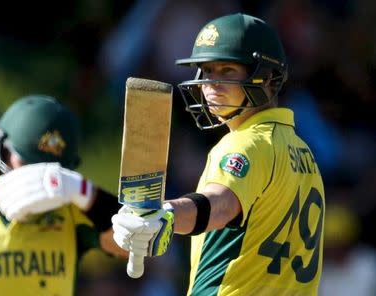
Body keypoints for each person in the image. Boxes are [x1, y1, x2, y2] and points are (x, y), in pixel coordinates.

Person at [111, 13, 326, 295]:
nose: (211, 84)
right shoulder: (303, 152)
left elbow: (220, 204)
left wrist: (167, 215)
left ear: (268, 77)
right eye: (207, 71)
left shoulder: (245, 144)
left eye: (227, 71)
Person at [0, 94, 127, 296]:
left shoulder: (70, 214)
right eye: (28, 166)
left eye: (48, 172)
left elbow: (132, 246)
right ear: (0, 151)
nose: (38, 182)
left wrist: (84, 192)